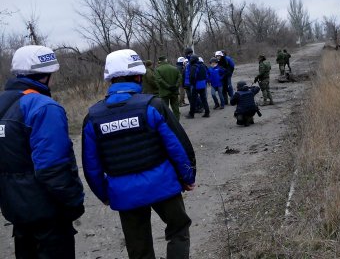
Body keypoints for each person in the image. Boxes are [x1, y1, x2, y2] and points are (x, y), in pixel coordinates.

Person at [82, 49, 196, 259]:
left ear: (110, 79)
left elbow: (91, 165)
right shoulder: (153, 106)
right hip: (163, 184)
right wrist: (187, 177)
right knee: (179, 229)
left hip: (124, 192)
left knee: (138, 246)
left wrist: (103, 194)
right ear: (138, 76)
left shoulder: (93, 117)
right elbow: (178, 145)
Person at [0, 45, 85, 258]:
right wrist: (74, 201)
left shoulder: (4, 103)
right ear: (46, 75)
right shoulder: (43, 107)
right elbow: (52, 168)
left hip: (16, 210)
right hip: (48, 215)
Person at [154, 56, 183, 120]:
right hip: (174, 91)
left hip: (164, 93)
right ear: (166, 60)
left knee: (165, 109)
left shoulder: (158, 69)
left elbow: (159, 80)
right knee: (176, 108)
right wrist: (176, 86)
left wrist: (168, 86)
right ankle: (177, 123)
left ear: (159, 61)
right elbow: (180, 78)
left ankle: (167, 123)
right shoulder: (175, 68)